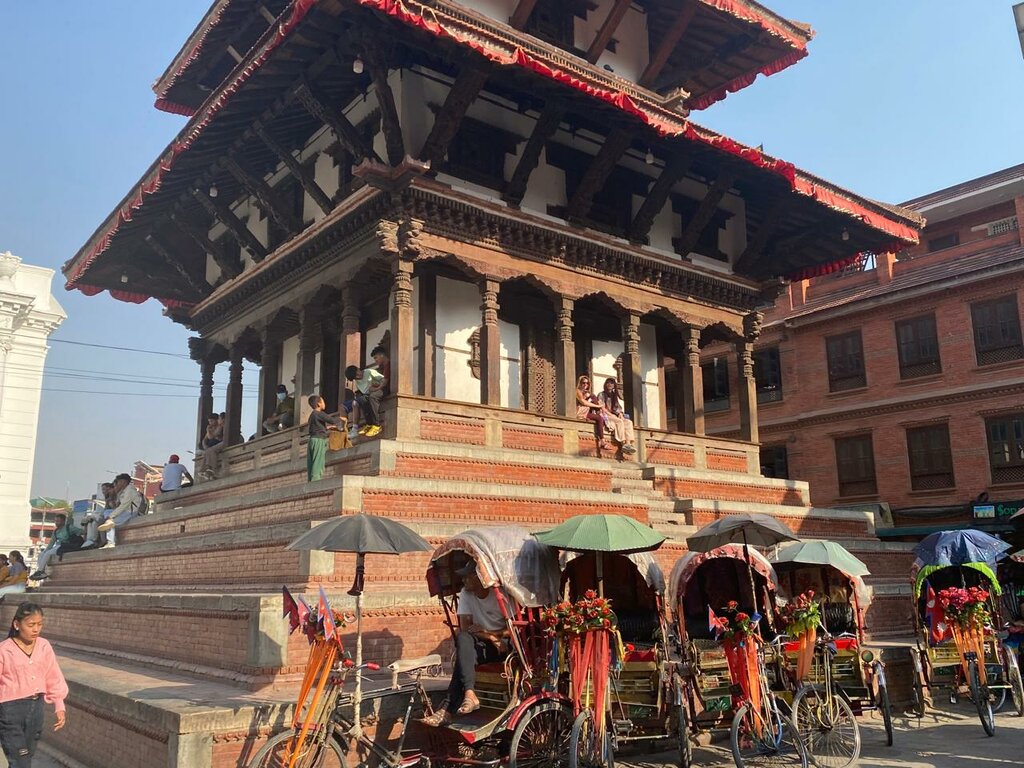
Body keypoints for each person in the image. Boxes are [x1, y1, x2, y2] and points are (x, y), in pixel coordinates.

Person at [422, 560, 509, 726]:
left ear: (480, 578)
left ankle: (447, 708)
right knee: (463, 639)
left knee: (462, 661)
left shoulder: (500, 595)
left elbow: (513, 629)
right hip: (485, 643)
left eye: (468, 577)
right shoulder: (466, 594)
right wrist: (490, 637)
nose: (464, 580)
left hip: (505, 646)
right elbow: (466, 629)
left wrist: (492, 634)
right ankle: (469, 692)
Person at [0, 603, 68, 766]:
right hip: (10, 712)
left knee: (26, 757)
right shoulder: (4, 650)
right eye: (31, 625)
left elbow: (53, 675)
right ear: (17, 624)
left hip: (36, 709)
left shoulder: (44, 646)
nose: (36, 629)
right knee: (20, 761)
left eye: (39, 624)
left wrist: (59, 704)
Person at [82, 473, 146, 549]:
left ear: (123, 482)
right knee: (107, 514)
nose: (117, 484)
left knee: (109, 522)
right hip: (125, 511)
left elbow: (123, 506)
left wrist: (111, 516)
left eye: (118, 482)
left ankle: (110, 542)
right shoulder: (124, 491)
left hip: (130, 513)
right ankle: (108, 540)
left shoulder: (130, 491)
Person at [29, 515, 84, 581]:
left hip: (67, 546)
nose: (56, 523)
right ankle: (42, 571)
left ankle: (40, 571)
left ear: (63, 521)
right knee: (41, 554)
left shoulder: (69, 527)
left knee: (48, 553)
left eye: (58, 521)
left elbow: (81, 531)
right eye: (55, 521)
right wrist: (45, 551)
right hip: (59, 546)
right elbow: (51, 543)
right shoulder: (56, 531)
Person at [306, 395, 346, 483]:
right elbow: (331, 420)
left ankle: (310, 481)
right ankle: (315, 482)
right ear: (318, 404)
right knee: (318, 462)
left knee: (312, 462)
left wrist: (327, 428)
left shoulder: (312, 415)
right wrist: (342, 418)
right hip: (319, 440)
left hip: (312, 440)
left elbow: (316, 428)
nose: (325, 403)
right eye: (323, 401)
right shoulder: (319, 413)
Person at [598, 378, 637, 455]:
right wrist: (611, 415)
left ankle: (628, 443)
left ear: (614, 386)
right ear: (605, 384)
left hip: (614, 415)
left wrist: (620, 414)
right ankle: (623, 443)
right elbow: (601, 407)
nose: (610, 384)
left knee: (628, 422)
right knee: (619, 421)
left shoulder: (614, 396)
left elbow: (618, 408)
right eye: (608, 383)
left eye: (612, 383)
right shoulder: (601, 394)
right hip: (605, 415)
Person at [345, 365, 385, 438]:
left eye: (357, 374)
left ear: (358, 369)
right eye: (355, 377)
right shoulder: (358, 382)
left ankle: (376, 425)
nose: (358, 377)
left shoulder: (369, 372)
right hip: (370, 393)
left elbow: (383, 379)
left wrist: (378, 386)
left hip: (381, 389)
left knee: (372, 397)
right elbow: (366, 391)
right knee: (361, 400)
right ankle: (369, 424)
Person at [575, 375, 608, 449]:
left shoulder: (588, 393)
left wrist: (600, 407)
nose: (585, 385)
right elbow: (584, 402)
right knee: (599, 417)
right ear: (579, 383)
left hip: (587, 412)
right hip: (580, 412)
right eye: (583, 383)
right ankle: (602, 440)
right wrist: (598, 406)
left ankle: (602, 440)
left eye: (587, 383)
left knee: (599, 417)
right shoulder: (577, 391)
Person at [199, 414, 224, 480]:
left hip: (217, 444)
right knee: (207, 451)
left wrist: (208, 430)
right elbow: (204, 440)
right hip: (211, 446)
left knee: (210, 450)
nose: (210, 423)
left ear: (216, 420)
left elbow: (211, 437)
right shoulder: (211, 428)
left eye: (212, 421)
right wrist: (205, 446)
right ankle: (203, 470)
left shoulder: (219, 427)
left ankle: (212, 470)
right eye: (209, 421)